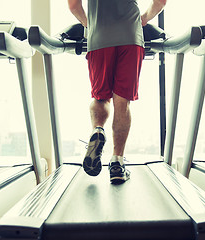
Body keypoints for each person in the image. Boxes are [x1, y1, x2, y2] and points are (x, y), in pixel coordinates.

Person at [68, 0, 167, 184]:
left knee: (100, 97)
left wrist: (91, 24)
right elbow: (160, 2)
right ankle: (117, 163)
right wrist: (143, 18)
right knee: (122, 102)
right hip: (130, 35)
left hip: (99, 37)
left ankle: (97, 130)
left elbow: (73, 6)